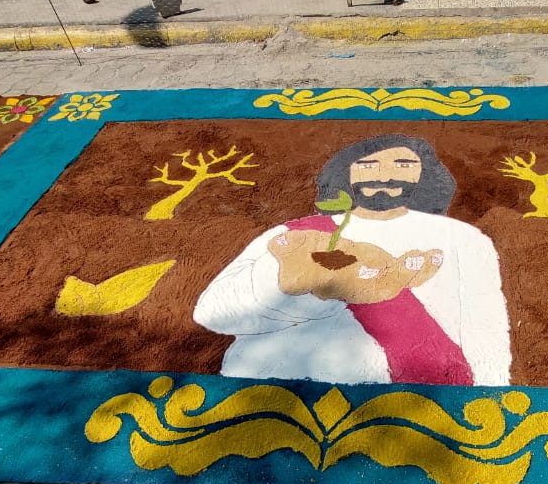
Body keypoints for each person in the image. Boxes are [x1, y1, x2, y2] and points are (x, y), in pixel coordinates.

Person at [193, 134, 511, 386]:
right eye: (368, 165)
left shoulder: (463, 239)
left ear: (424, 174)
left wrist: (490, 391)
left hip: (413, 398)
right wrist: (314, 286)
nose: (385, 175)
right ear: (345, 172)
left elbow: (486, 327)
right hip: (273, 388)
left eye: (403, 164)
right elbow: (214, 312)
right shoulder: (294, 236)